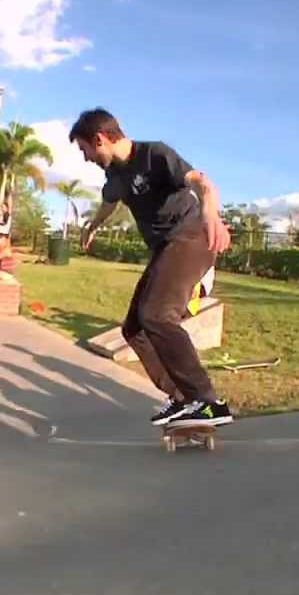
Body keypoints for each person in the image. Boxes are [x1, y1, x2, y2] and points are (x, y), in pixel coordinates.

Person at [72, 107, 234, 428]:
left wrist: (210, 214)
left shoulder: (154, 155)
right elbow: (108, 203)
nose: (86, 158)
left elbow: (202, 182)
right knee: (134, 329)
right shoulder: (114, 176)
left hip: (191, 236)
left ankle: (207, 402)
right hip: (165, 249)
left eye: (84, 149)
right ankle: (182, 396)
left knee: (157, 315)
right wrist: (93, 226)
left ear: (100, 139)